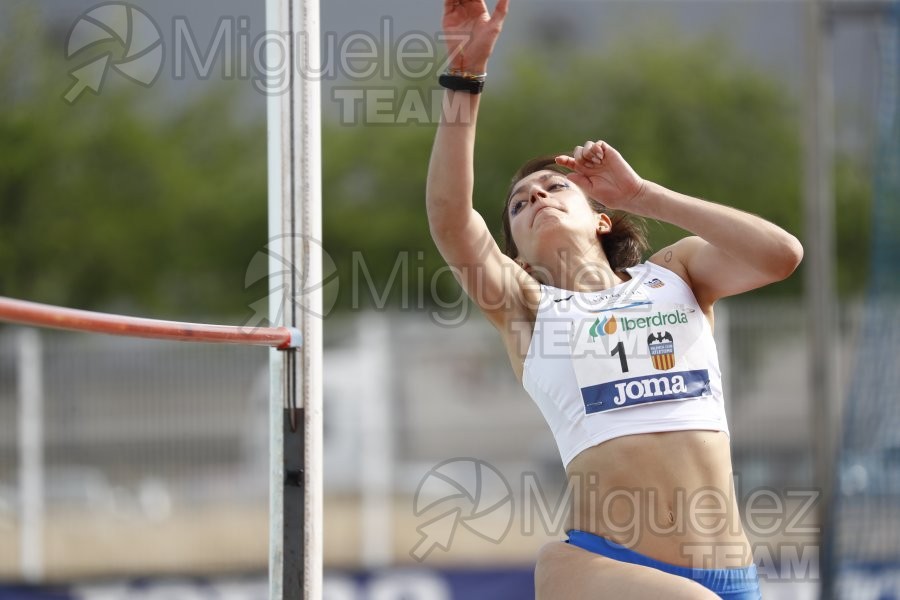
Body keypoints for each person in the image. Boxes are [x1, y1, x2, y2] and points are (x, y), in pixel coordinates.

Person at [426, 1, 803, 598]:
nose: (539, 199)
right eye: (521, 205)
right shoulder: (527, 306)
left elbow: (779, 255)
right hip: (601, 567)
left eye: (556, 187)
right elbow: (450, 219)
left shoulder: (673, 275)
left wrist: (645, 194)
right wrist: (464, 76)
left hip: (730, 574)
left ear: (602, 219)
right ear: (518, 254)